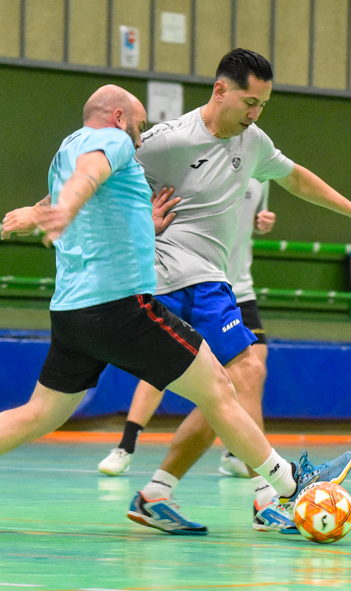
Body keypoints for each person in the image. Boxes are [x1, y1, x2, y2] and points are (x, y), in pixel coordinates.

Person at [0, 84, 351, 535]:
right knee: (221, 386)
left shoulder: (64, 151)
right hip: (121, 307)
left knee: (40, 412)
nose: (141, 138)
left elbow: (95, 199)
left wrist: (137, 222)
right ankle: (289, 484)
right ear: (119, 117)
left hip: (72, 314)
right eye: (139, 126)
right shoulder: (112, 140)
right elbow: (90, 175)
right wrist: (65, 207)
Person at [123, 49, 351, 535]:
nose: (255, 114)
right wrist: (51, 209)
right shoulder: (169, 141)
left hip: (208, 279)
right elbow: (102, 170)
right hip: (179, 277)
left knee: (223, 390)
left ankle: (156, 494)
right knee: (247, 370)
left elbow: (294, 177)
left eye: (263, 106)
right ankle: (270, 496)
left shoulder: (251, 141)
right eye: (249, 102)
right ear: (220, 90)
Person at [98, 178, 274, 479]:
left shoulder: (262, 172)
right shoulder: (193, 167)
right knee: (168, 366)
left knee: (249, 373)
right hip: (192, 285)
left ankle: (241, 458)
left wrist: (262, 223)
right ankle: (126, 447)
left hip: (240, 289)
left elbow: (255, 215)